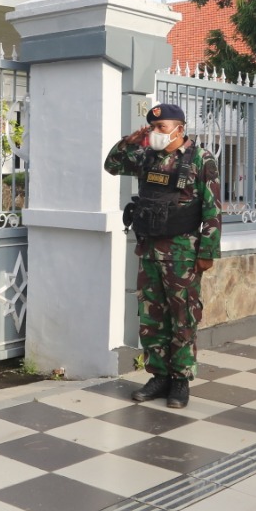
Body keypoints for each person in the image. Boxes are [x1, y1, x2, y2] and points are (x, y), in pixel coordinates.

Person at [103, 102, 222, 409]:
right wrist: (129, 141)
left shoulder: (200, 158)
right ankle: (158, 375)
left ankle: (180, 381)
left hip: (183, 251)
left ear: (180, 129)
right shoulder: (145, 157)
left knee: (183, 316)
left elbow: (212, 208)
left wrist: (207, 251)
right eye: (153, 128)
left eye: (162, 128)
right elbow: (112, 166)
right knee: (151, 316)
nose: (156, 133)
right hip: (149, 247)